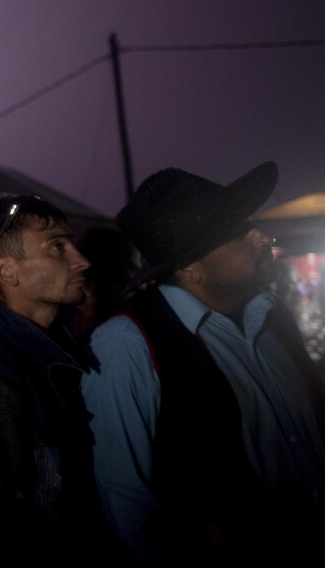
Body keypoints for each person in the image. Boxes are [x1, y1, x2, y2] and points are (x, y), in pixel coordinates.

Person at [82, 162, 325, 567]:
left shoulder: (273, 316)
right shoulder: (127, 345)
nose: (263, 236)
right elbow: (129, 514)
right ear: (188, 268)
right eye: (236, 232)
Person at [0, 194, 111, 568]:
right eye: (57, 247)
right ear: (5, 270)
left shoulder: (56, 347)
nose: (81, 261)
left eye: (71, 244)